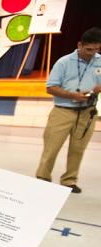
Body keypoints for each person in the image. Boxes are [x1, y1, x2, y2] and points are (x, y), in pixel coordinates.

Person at [35, 27, 101, 194]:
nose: (92, 53)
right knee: (51, 148)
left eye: (96, 49)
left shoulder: (99, 61)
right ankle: (43, 178)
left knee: (78, 149)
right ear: (80, 45)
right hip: (63, 111)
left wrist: (96, 90)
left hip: (88, 112)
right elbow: (50, 88)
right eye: (88, 49)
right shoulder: (64, 62)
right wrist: (72, 95)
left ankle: (69, 180)